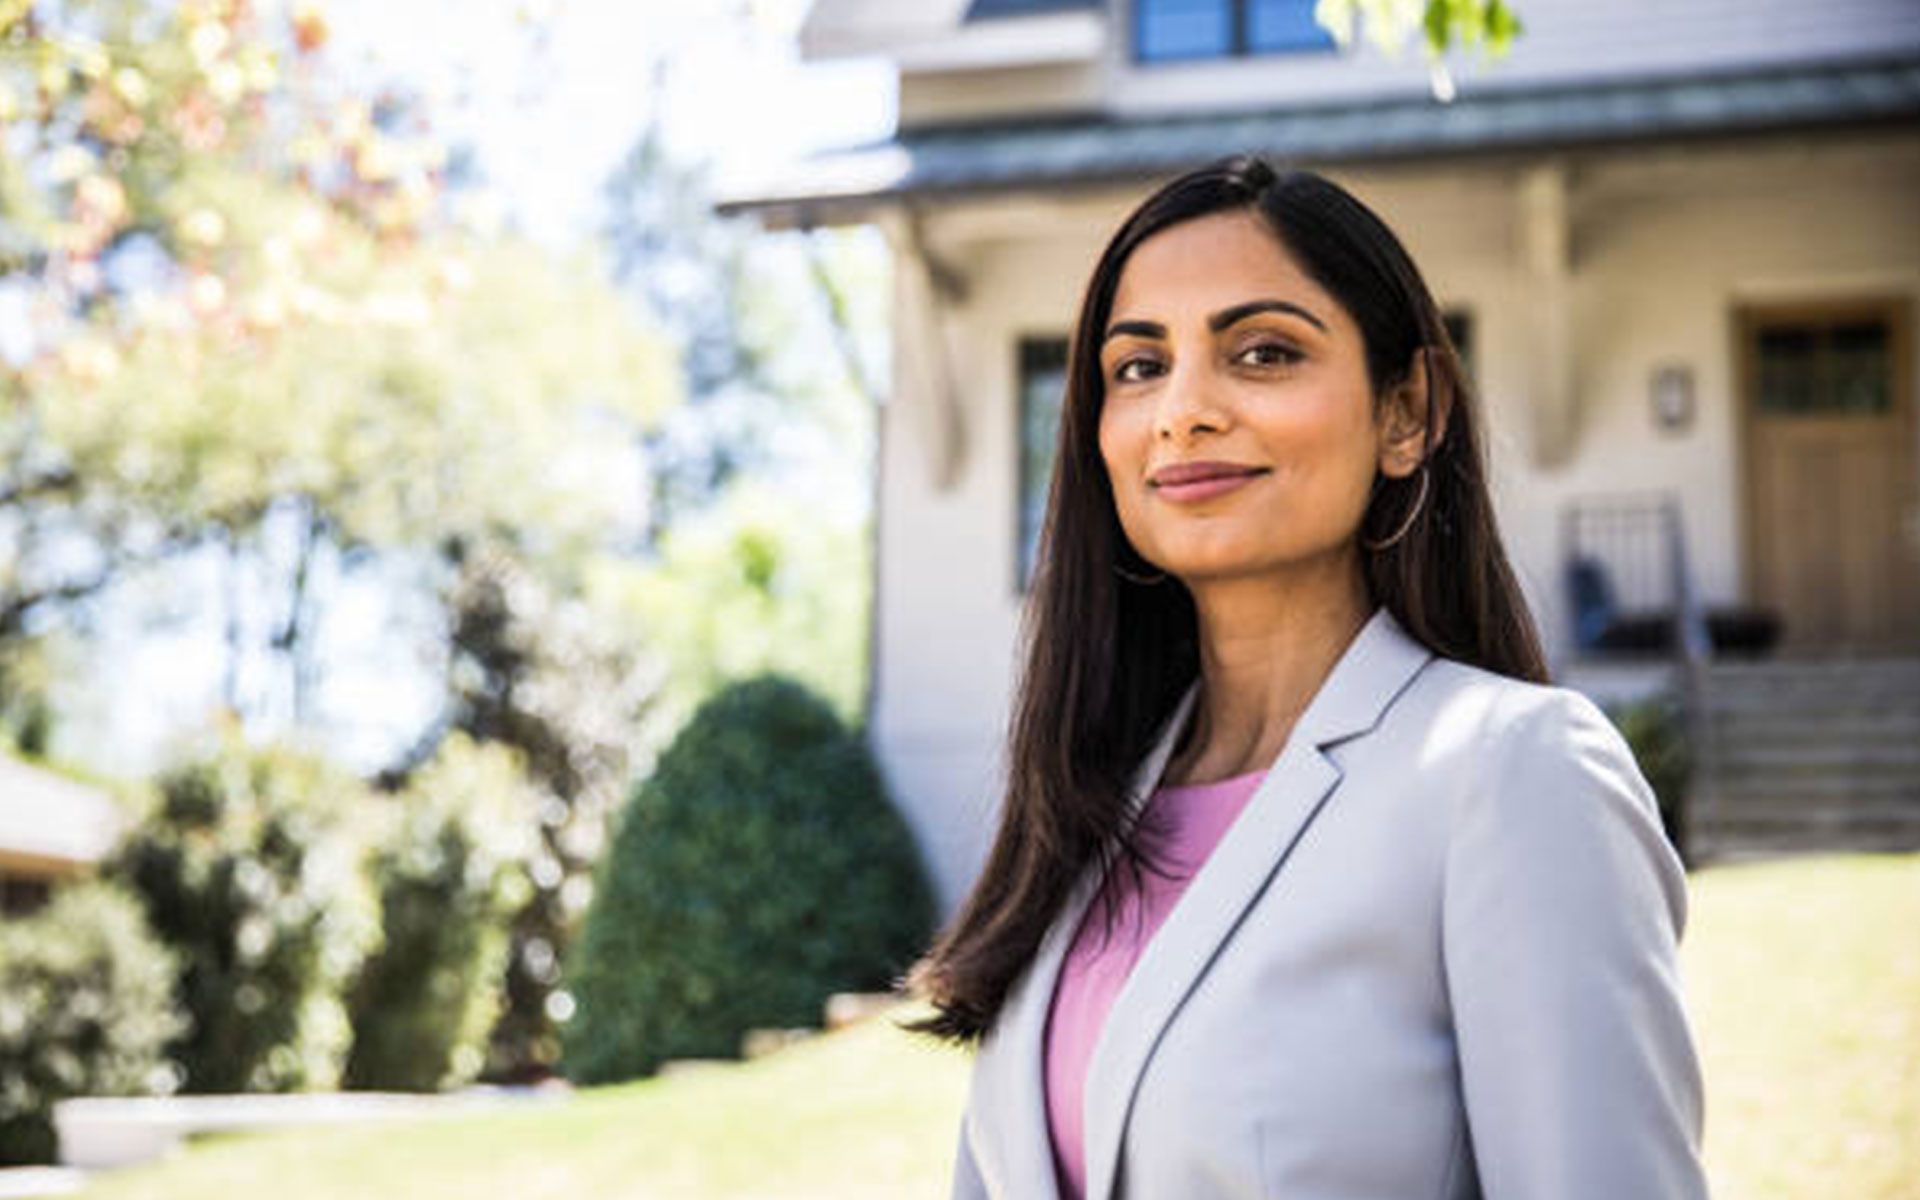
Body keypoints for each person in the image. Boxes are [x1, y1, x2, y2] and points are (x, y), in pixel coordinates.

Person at [898, 155, 1709, 1200]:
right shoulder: (1085, 808)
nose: (1181, 412)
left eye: (1264, 352)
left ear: (1407, 412)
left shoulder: (1514, 775)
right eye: (1137, 368)